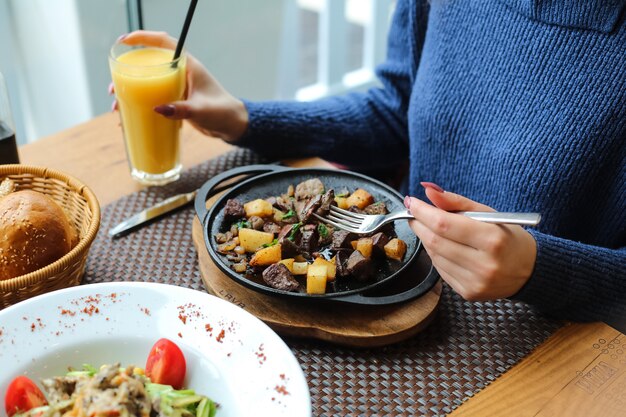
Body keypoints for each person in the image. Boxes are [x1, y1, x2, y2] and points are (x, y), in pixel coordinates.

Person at [116, 0, 626, 323]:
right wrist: (245, 119)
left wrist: (543, 269)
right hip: (405, 293)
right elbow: (395, 106)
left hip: (560, 351)